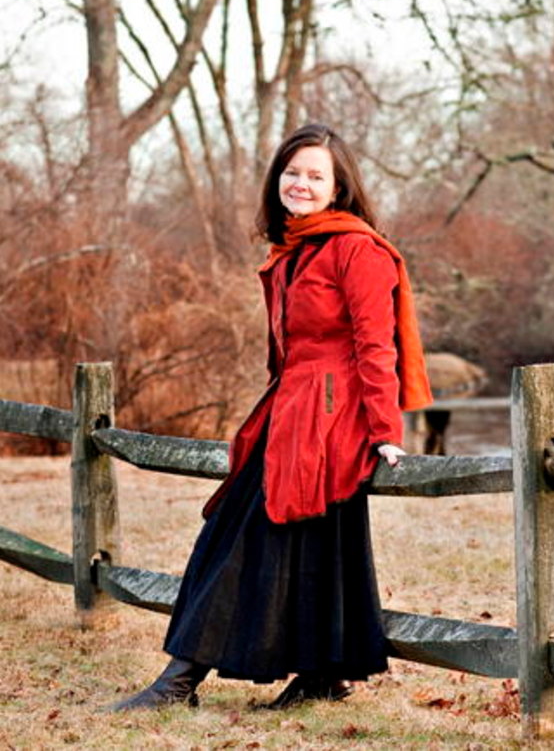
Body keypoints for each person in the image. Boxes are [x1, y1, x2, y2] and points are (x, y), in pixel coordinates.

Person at [109, 123, 432, 712]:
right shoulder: (294, 249)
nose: (301, 184)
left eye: (316, 176)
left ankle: (179, 681)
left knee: (244, 542)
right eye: (293, 172)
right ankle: (323, 674)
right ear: (277, 178)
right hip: (289, 410)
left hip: (330, 421)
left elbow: (374, 344)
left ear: (339, 188)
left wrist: (385, 431)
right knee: (291, 543)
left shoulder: (355, 248)